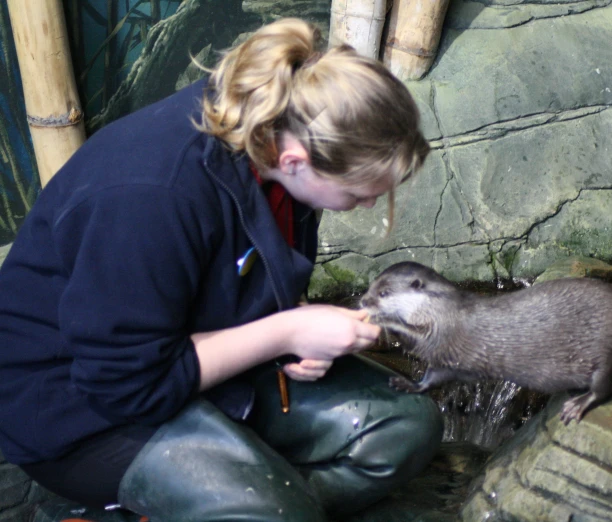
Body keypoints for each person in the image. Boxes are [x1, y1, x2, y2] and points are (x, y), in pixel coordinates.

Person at [0, 18, 441, 521]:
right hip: (84, 407)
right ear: (296, 161)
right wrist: (286, 331)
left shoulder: (278, 132)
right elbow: (125, 383)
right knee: (277, 514)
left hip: (198, 359)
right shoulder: (152, 194)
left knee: (406, 428)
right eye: (359, 193)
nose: (368, 205)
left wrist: (295, 330)